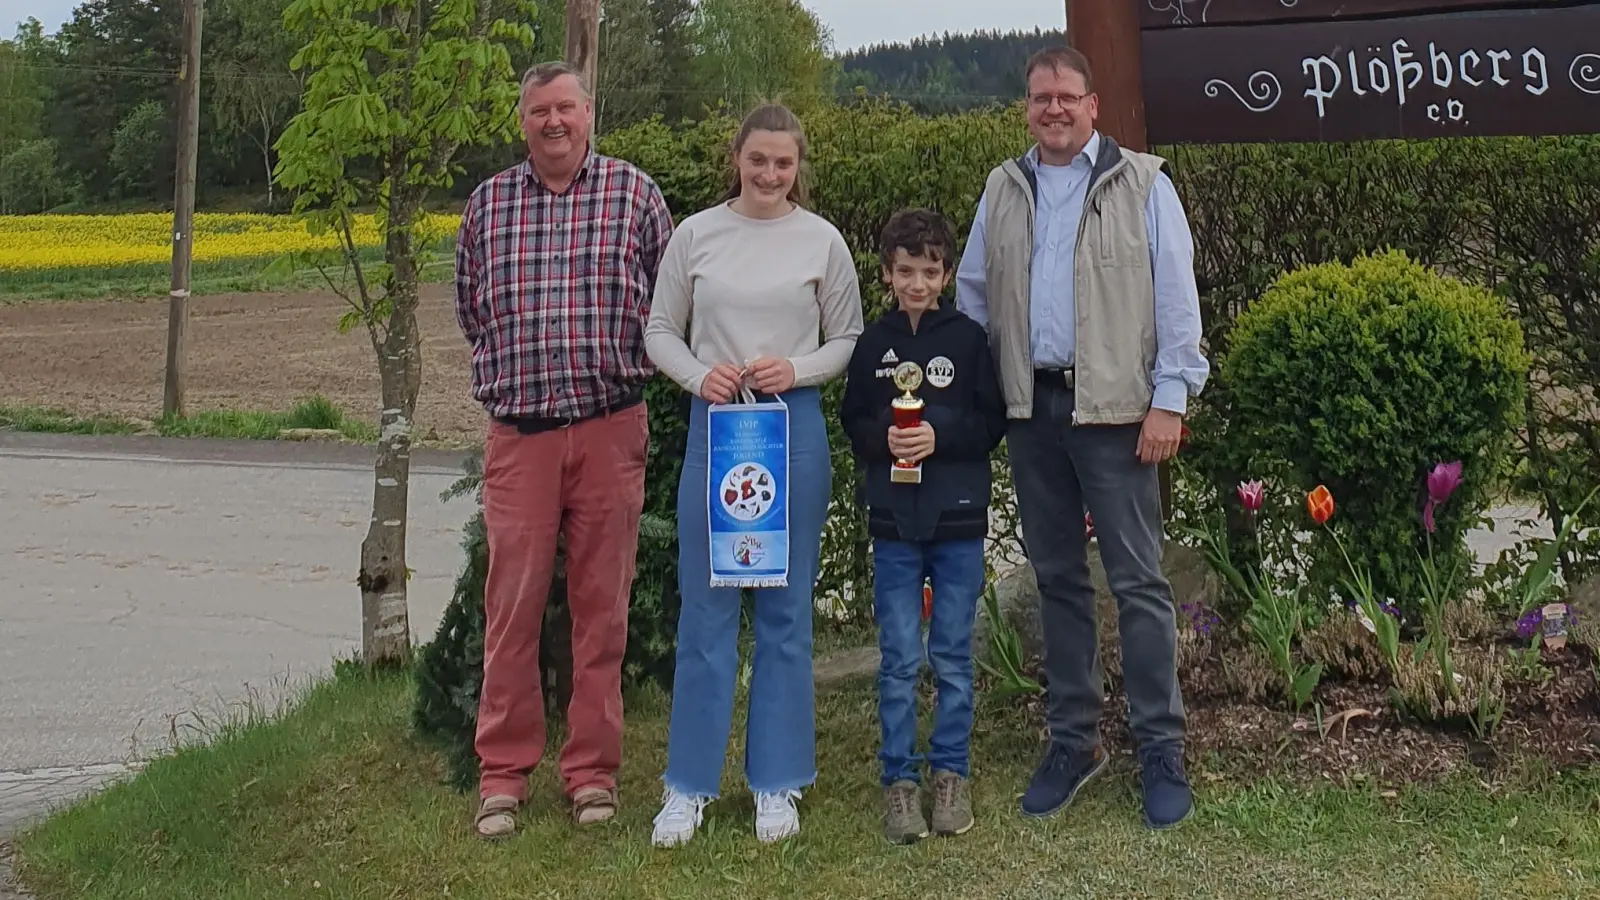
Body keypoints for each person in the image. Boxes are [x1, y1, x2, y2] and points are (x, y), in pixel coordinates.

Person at [953, 46, 1210, 830]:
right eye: (1040, 98)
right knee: (1058, 580)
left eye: (1067, 96)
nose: (1053, 109)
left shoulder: (1144, 184)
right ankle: (1074, 742)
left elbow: (1176, 296)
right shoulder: (1001, 190)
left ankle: (1159, 746)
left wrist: (1171, 399)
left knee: (1138, 584)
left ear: (1093, 106)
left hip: (1119, 415)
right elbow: (971, 297)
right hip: (1034, 415)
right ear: (1026, 106)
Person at [453, 61, 674, 839]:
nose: (554, 122)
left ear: (589, 114)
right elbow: (475, 314)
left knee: (600, 609)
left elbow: (667, 304)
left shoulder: (636, 196)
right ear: (523, 123)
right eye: (540, 111)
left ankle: (592, 773)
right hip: (521, 438)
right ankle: (503, 775)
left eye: (567, 109)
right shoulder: (487, 206)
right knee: (510, 609)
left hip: (610, 425)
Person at [643, 102, 864, 848]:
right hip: (718, 427)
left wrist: (795, 368)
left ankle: (777, 781)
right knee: (705, 611)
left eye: (784, 163)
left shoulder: (821, 241)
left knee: (784, 613)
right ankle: (688, 785)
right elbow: (660, 330)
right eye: (757, 160)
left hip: (789, 428)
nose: (770, 174)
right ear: (735, 157)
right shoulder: (696, 235)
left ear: (799, 166)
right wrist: (698, 376)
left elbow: (848, 338)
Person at [838, 209, 1007, 845]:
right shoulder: (872, 343)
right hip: (894, 522)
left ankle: (950, 775)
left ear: (946, 274)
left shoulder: (967, 340)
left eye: (929, 271)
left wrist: (942, 432)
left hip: (958, 518)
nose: (917, 282)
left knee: (953, 657)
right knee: (900, 657)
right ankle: (900, 783)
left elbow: (990, 423)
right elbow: (853, 421)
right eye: (905, 271)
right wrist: (884, 439)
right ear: (886, 274)